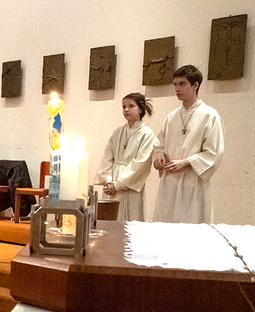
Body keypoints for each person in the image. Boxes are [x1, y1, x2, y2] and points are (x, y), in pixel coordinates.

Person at [151, 65, 224, 223]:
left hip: (193, 182)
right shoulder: (172, 117)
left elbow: (213, 153)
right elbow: (159, 144)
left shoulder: (210, 116)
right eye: (175, 84)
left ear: (195, 85)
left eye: (182, 84)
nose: (177, 89)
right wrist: (159, 155)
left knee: (190, 224)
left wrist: (185, 162)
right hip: (169, 182)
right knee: (166, 225)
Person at [93, 93, 158, 221]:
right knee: (109, 221)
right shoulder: (118, 132)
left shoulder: (147, 134)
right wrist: (108, 180)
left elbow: (141, 164)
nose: (126, 109)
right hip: (111, 184)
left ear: (140, 109)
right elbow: (107, 158)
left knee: (128, 222)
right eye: (124, 107)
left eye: (131, 106)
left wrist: (118, 185)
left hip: (129, 186)